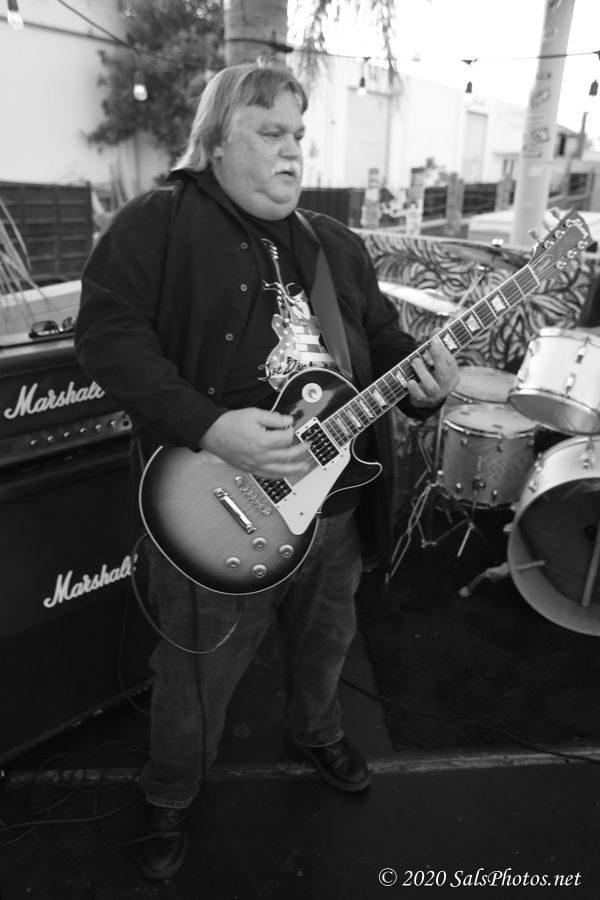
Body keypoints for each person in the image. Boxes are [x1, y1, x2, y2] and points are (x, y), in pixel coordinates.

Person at [74, 62, 459, 881]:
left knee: (328, 639)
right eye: (271, 132)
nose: (293, 151)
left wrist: (425, 383)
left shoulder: (334, 244)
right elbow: (108, 337)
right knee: (197, 671)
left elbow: (385, 344)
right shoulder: (158, 223)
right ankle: (171, 793)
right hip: (218, 502)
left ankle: (316, 731)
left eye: (299, 135)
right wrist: (212, 426)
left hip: (335, 503)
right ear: (217, 140)